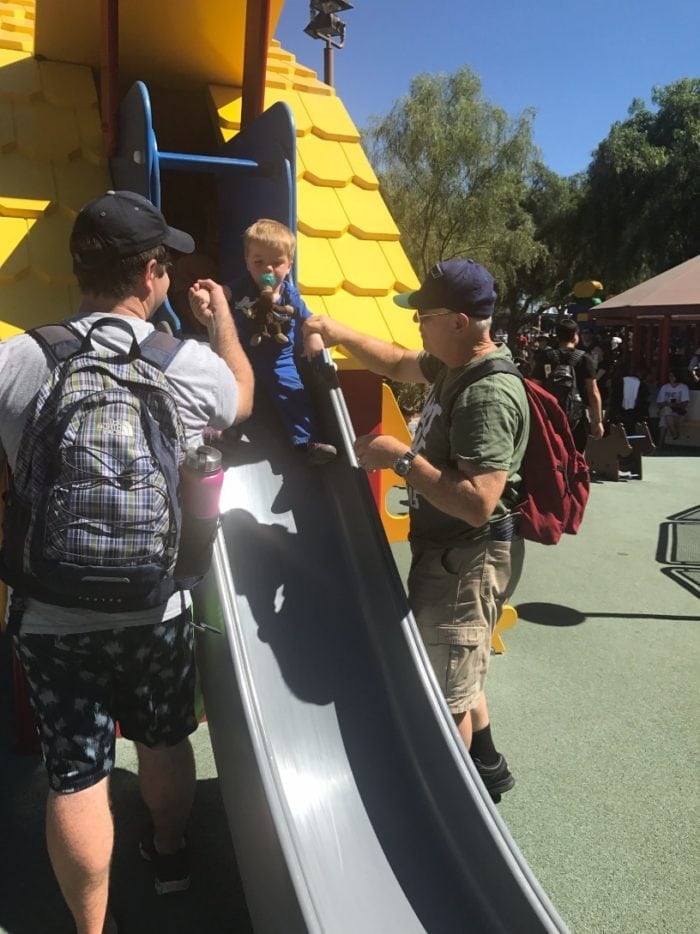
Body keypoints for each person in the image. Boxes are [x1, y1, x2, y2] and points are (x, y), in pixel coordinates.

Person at [0, 190, 254, 934]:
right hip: (158, 606)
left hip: (50, 613)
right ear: (149, 274)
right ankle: (169, 852)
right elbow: (241, 399)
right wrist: (223, 323)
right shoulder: (189, 364)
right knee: (165, 739)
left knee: (76, 775)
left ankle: (91, 927)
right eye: (166, 265)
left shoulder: (21, 358)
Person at [304, 258, 529, 803]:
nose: (417, 328)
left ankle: (446, 810)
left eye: (422, 317)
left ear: (456, 320)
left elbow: (478, 503)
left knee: (446, 692)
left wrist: (400, 459)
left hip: (467, 559)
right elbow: (401, 362)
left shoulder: (485, 395)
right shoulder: (456, 364)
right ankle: (488, 766)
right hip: (451, 554)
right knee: (462, 663)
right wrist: (335, 332)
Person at [225, 218, 337, 465]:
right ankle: (227, 432)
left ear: (289, 265)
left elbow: (309, 319)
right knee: (231, 388)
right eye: (259, 262)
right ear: (247, 262)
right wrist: (210, 294)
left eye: (276, 263)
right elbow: (224, 293)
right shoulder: (242, 286)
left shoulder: (289, 294)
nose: (268, 270)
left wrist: (314, 337)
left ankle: (308, 441)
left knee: (293, 393)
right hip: (243, 354)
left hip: (280, 357)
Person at [531, 318, 604, 452]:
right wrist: (597, 421)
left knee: (552, 456)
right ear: (575, 335)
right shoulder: (584, 359)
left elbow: (535, 388)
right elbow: (593, 392)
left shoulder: (545, 357)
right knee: (576, 456)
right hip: (577, 417)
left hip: (550, 417)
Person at [656, 370, 690, 446]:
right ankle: (674, 433)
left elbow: (684, 404)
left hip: (679, 413)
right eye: (669, 376)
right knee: (666, 411)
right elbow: (659, 402)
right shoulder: (665, 387)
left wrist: (669, 404)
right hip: (667, 411)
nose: (671, 377)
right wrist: (670, 405)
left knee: (664, 417)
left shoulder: (683, 387)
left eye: (673, 376)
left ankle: (660, 443)